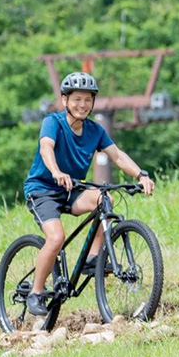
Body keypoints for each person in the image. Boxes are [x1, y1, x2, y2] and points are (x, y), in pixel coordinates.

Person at [22, 71, 154, 316]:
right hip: (43, 190)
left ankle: (93, 258)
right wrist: (56, 171)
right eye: (77, 99)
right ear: (65, 100)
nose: (82, 105)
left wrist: (140, 175)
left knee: (106, 198)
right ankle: (36, 292)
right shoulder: (53, 122)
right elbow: (45, 148)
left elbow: (117, 155)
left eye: (88, 100)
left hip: (73, 190)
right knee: (55, 238)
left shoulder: (94, 131)